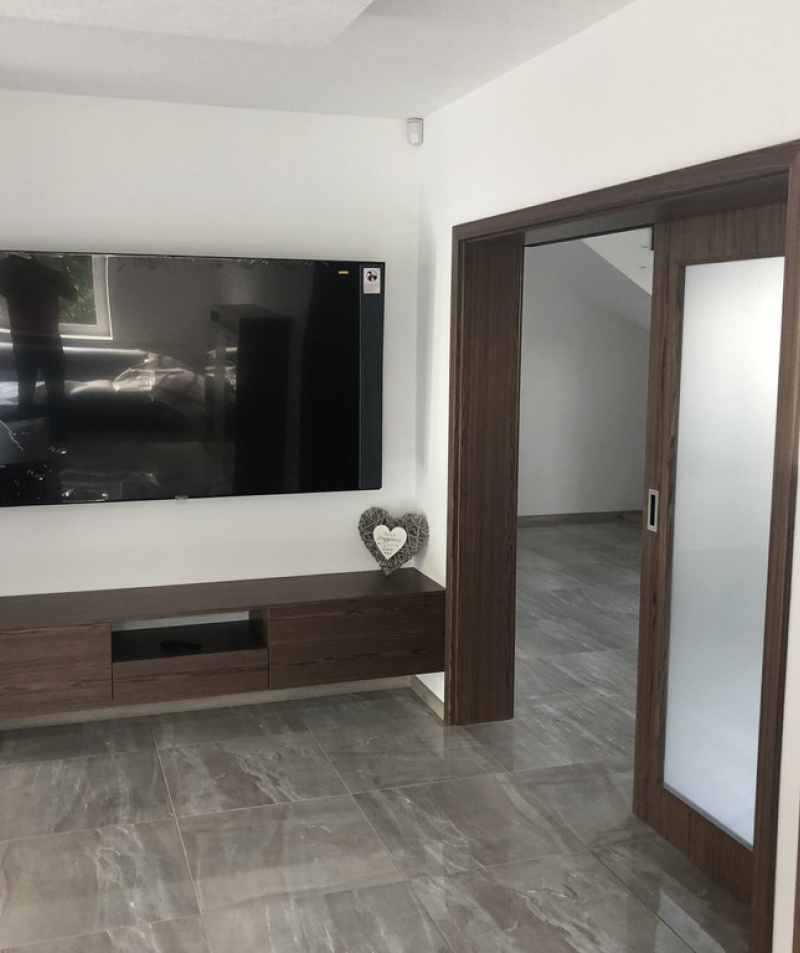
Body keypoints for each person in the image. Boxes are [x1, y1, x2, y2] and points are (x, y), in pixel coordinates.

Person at [0, 254, 77, 423]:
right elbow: (72, 295)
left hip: (24, 340)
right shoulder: (48, 275)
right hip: (47, 339)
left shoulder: (9, 275)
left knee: (26, 393)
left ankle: (27, 424)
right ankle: (54, 425)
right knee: (55, 393)